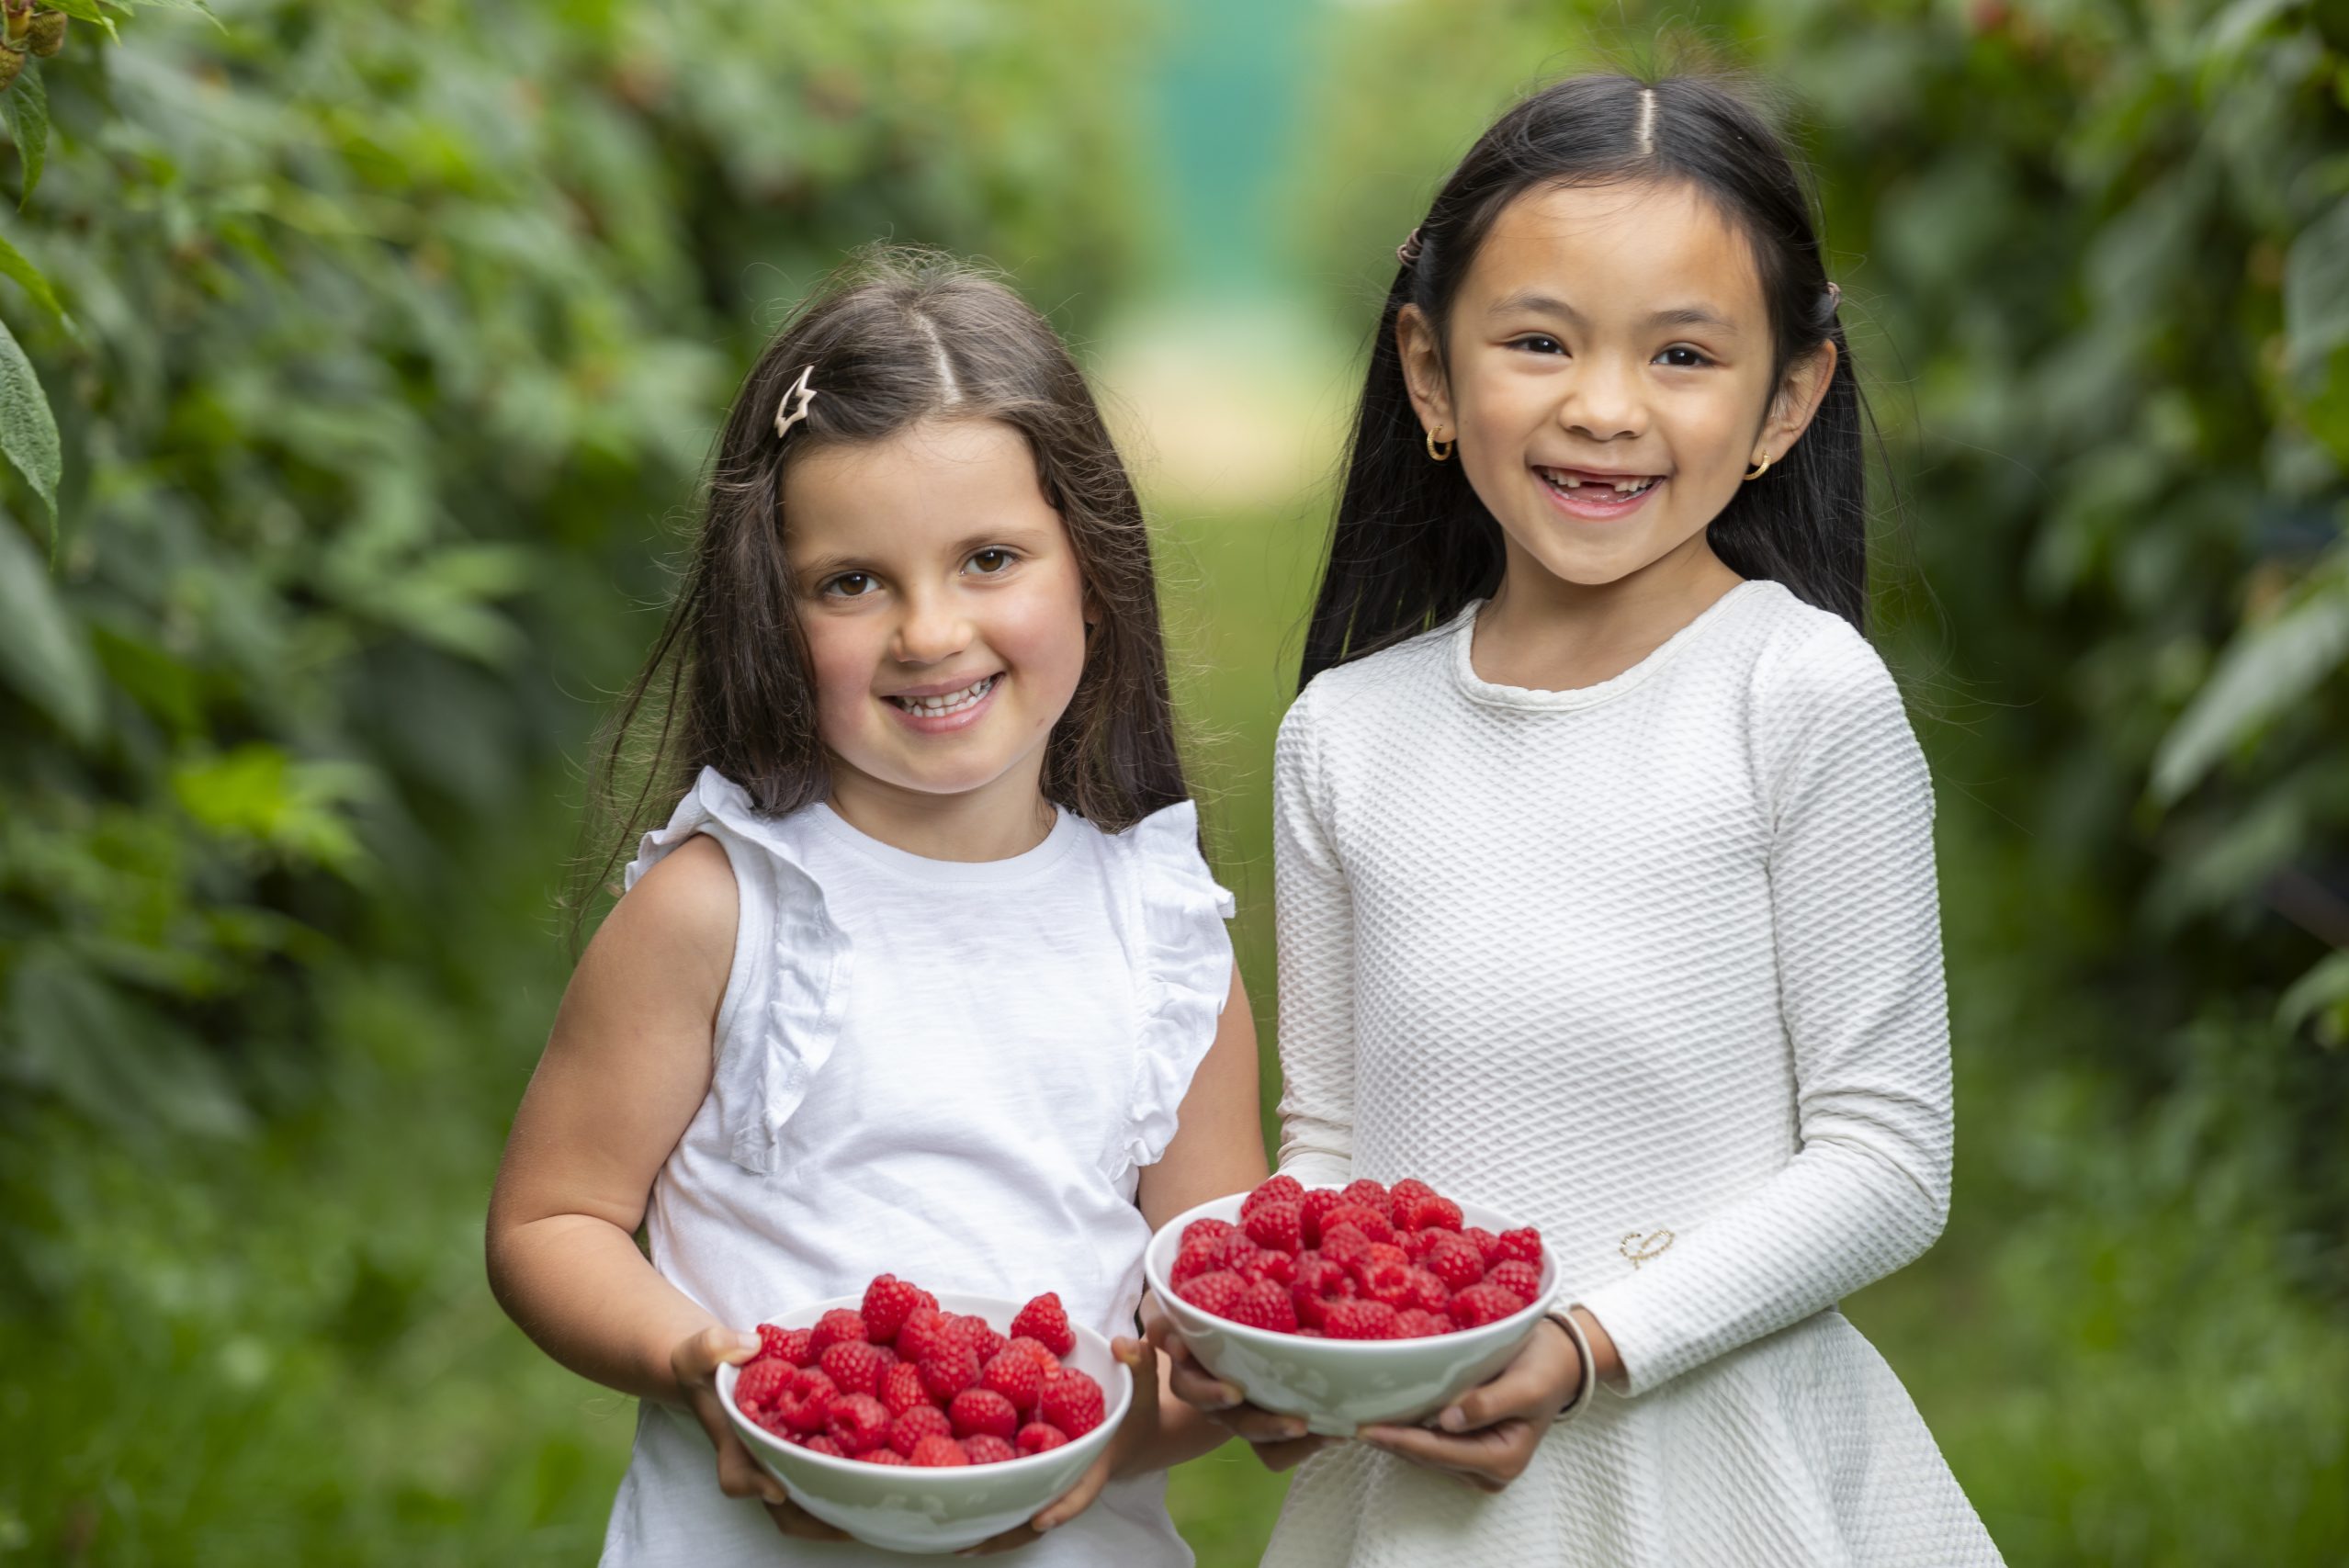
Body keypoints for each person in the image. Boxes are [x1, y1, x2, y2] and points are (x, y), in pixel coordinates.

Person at [1158, 73, 2003, 1564]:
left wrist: (1587, 1342)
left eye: (1683, 354)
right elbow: (1338, 1141)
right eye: (1537, 341)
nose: (1603, 407)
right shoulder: (1345, 736)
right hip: (1416, 1478)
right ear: (1429, 371)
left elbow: (1887, 1160)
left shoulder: (1799, 696)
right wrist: (1280, 1334)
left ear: (1785, 401)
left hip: (1709, 1464)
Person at [486, 248, 1266, 1565]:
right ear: (773, 613)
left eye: (989, 559)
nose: (927, 630)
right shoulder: (721, 906)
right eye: (853, 581)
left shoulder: (1165, 931)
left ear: (1088, 563)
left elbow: (1217, 1314)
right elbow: (549, 1222)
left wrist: (1099, 1437)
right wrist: (698, 1364)